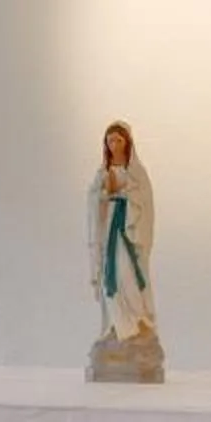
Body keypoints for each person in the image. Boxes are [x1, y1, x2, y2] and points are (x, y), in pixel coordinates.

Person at [88, 120, 156, 343]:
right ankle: (118, 324)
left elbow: (144, 201)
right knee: (111, 273)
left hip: (128, 227)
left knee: (127, 271)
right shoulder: (102, 172)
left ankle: (137, 318)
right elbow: (94, 200)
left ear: (127, 143)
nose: (114, 144)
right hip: (110, 227)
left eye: (118, 140)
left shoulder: (137, 172)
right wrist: (104, 193)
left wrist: (126, 194)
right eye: (110, 140)